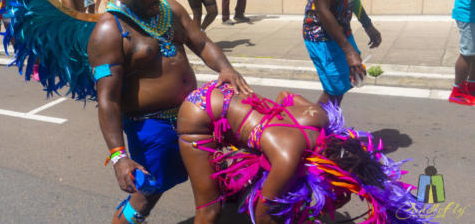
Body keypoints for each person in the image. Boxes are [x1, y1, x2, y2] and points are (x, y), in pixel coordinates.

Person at [86, 0, 252, 224]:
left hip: (193, 116)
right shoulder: (109, 30)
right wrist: (119, 157)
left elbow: (201, 43)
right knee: (148, 192)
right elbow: (108, 100)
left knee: (214, 174)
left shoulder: (171, 10)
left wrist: (225, 68)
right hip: (150, 125)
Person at [177, 80, 433, 224]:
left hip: (224, 92)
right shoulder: (287, 157)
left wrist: (266, 127)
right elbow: (263, 215)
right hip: (198, 113)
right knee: (209, 209)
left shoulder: (318, 116)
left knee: (269, 170)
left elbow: (284, 95)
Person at [303, 0, 382, 105]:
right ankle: (313, 127)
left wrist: (367, 24)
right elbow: (322, 10)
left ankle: (326, 126)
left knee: (347, 82)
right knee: (335, 90)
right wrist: (349, 51)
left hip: (341, 31)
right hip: (322, 34)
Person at [450, 0, 475, 106]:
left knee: (473, 52)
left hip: (469, 11)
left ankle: (471, 85)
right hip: (468, 13)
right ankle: (457, 91)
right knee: (467, 53)